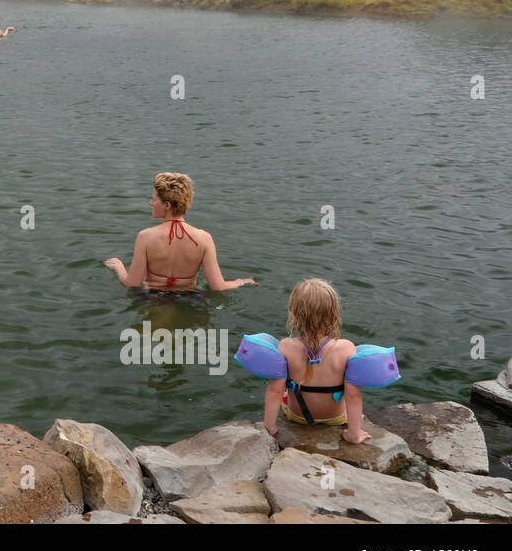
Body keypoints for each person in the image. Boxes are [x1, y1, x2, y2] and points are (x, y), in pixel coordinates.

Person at [104, 171, 256, 294]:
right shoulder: (204, 238)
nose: (151, 203)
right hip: (189, 299)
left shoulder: (145, 237)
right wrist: (240, 282)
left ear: (167, 205)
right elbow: (218, 286)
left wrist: (119, 267)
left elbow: (132, 283)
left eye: (154, 199)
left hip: (152, 299)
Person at [262, 278, 369, 445]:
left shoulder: (285, 346)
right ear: (335, 315)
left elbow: (275, 391)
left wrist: (270, 427)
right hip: (336, 418)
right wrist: (354, 434)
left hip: (297, 417)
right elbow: (353, 395)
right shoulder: (346, 348)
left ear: (294, 315)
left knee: (282, 391)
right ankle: (353, 430)